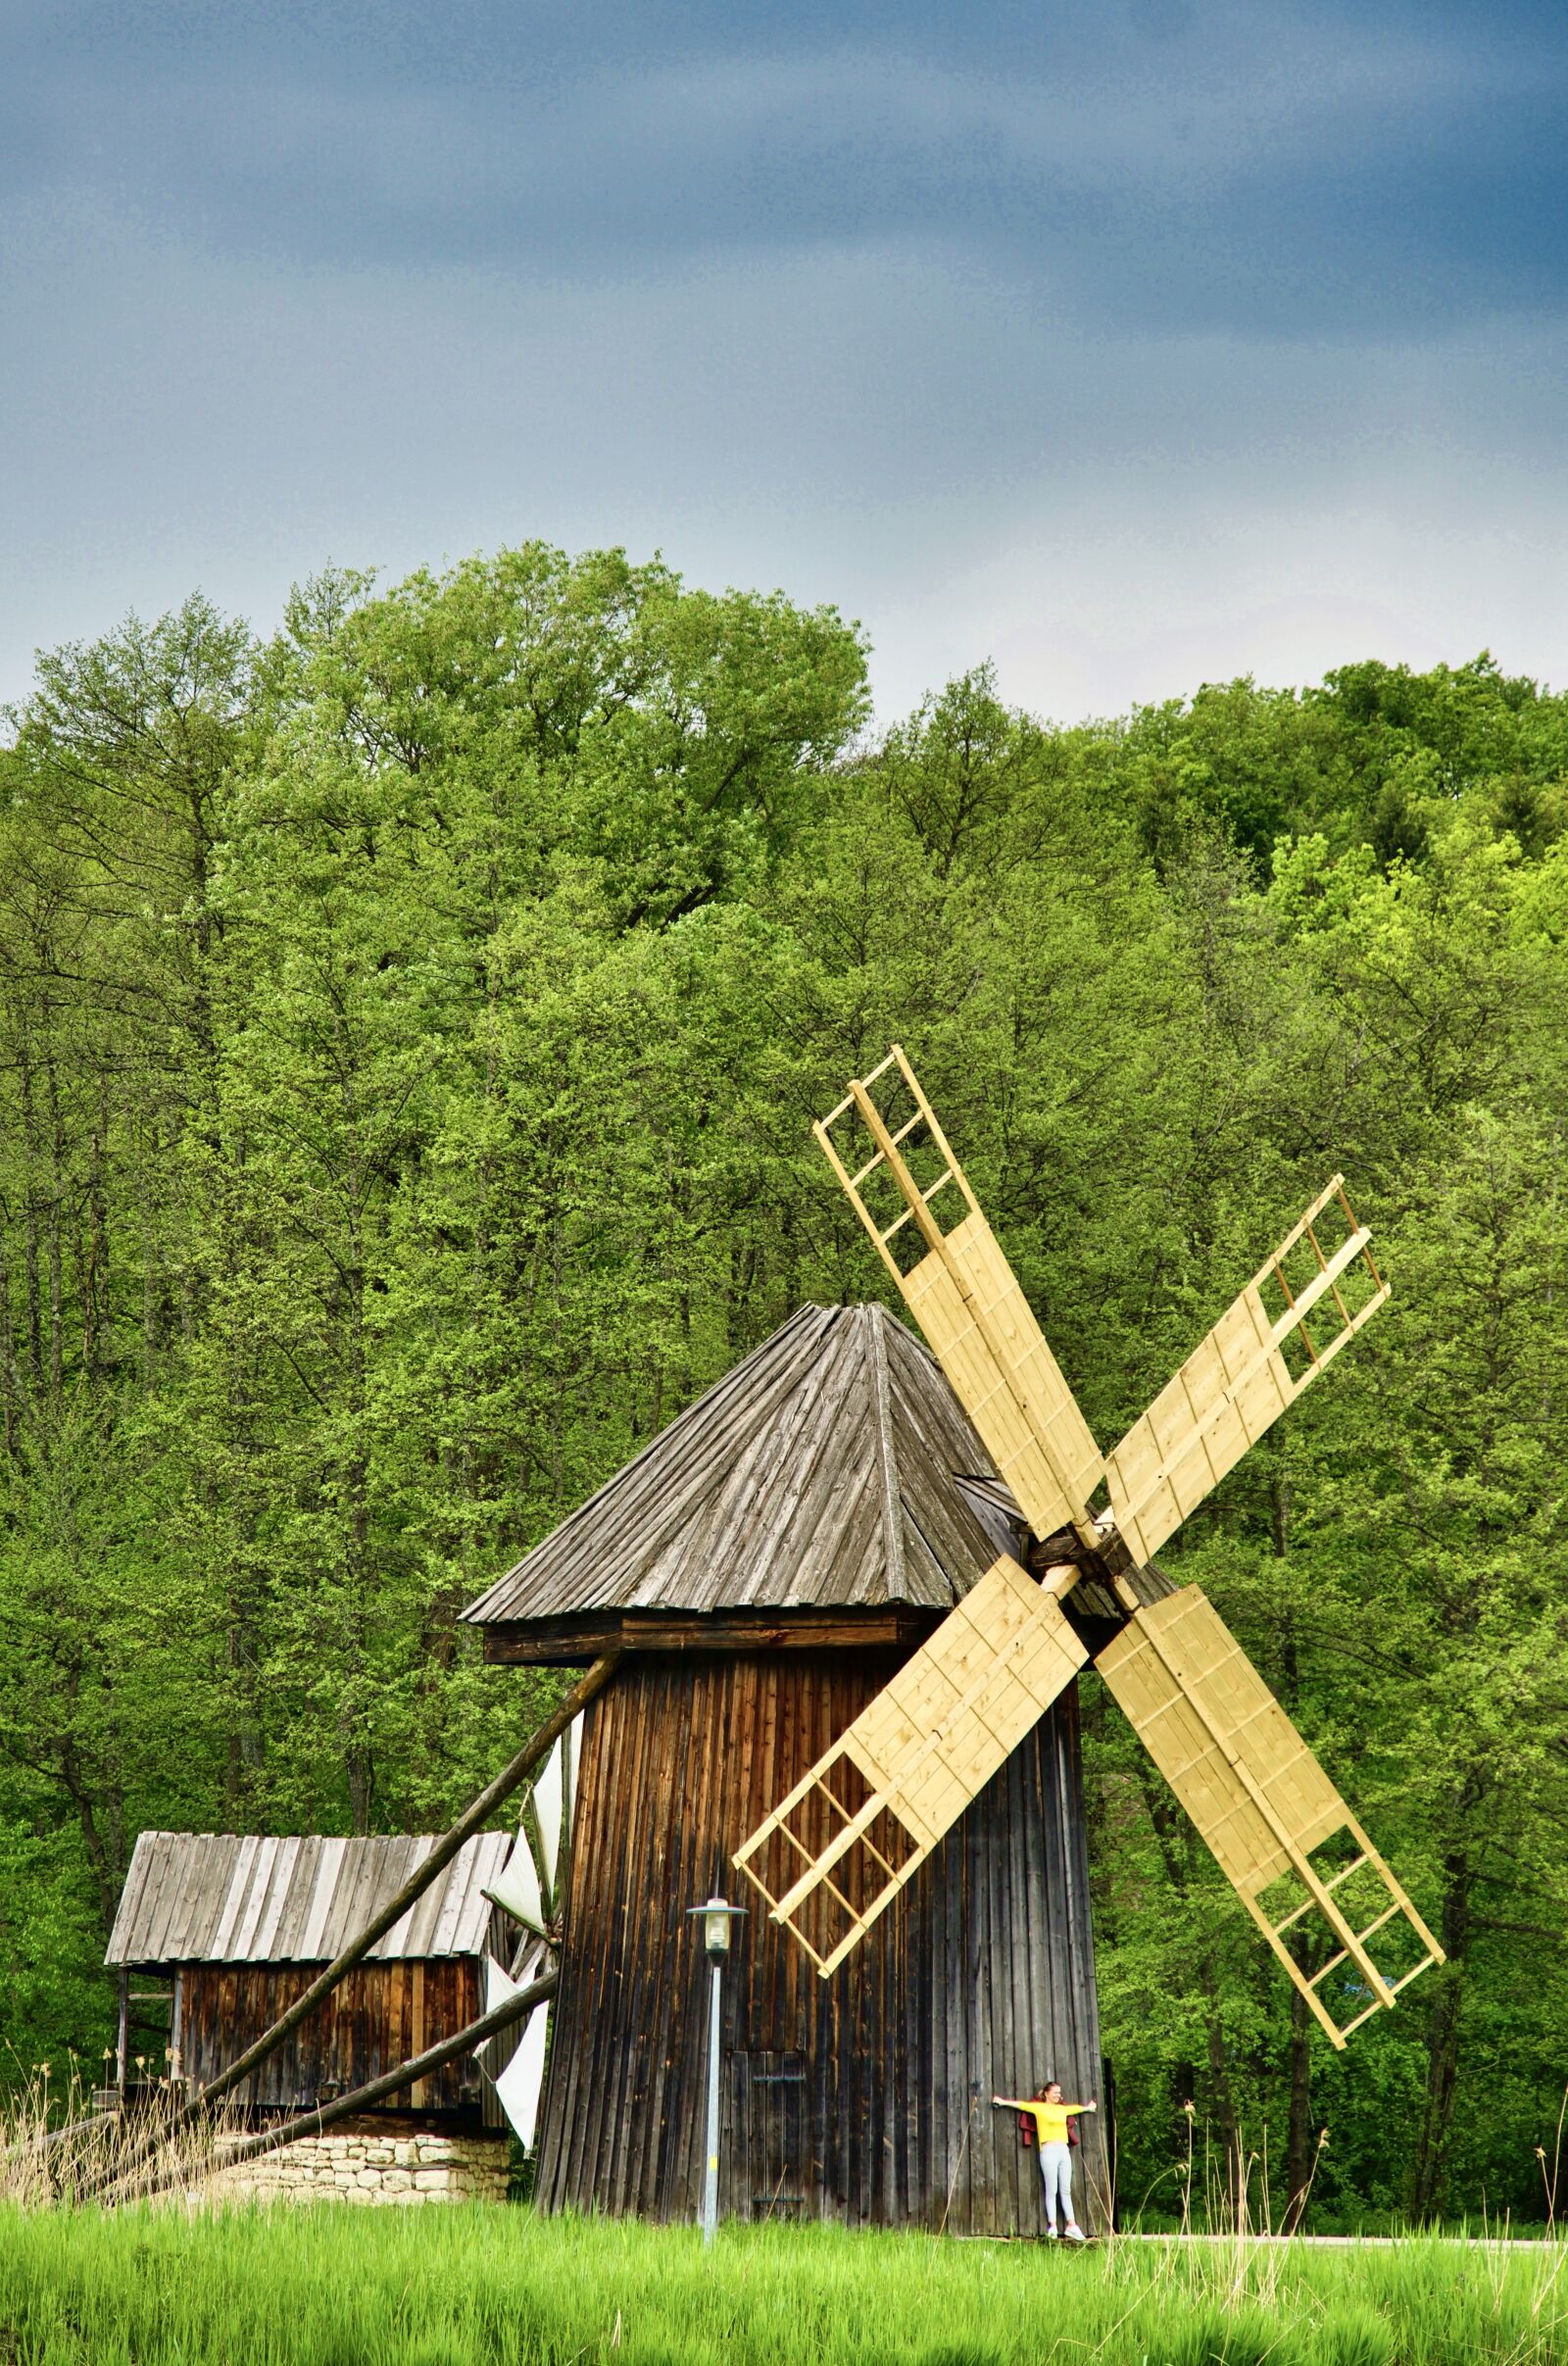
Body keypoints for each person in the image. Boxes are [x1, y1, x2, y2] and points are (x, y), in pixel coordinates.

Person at [991, 2080, 1098, 2241]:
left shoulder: (1063, 2109)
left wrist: (1089, 2108)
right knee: (1052, 2190)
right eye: (1055, 2092)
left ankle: (1071, 2225)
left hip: (1063, 2150)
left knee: (1066, 2189)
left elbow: (1078, 2109)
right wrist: (1002, 2101)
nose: (1058, 2095)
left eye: (1059, 2093)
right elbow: (1020, 2105)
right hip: (1048, 2150)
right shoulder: (1038, 2107)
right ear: (1047, 2094)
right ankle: (1053, 2226)